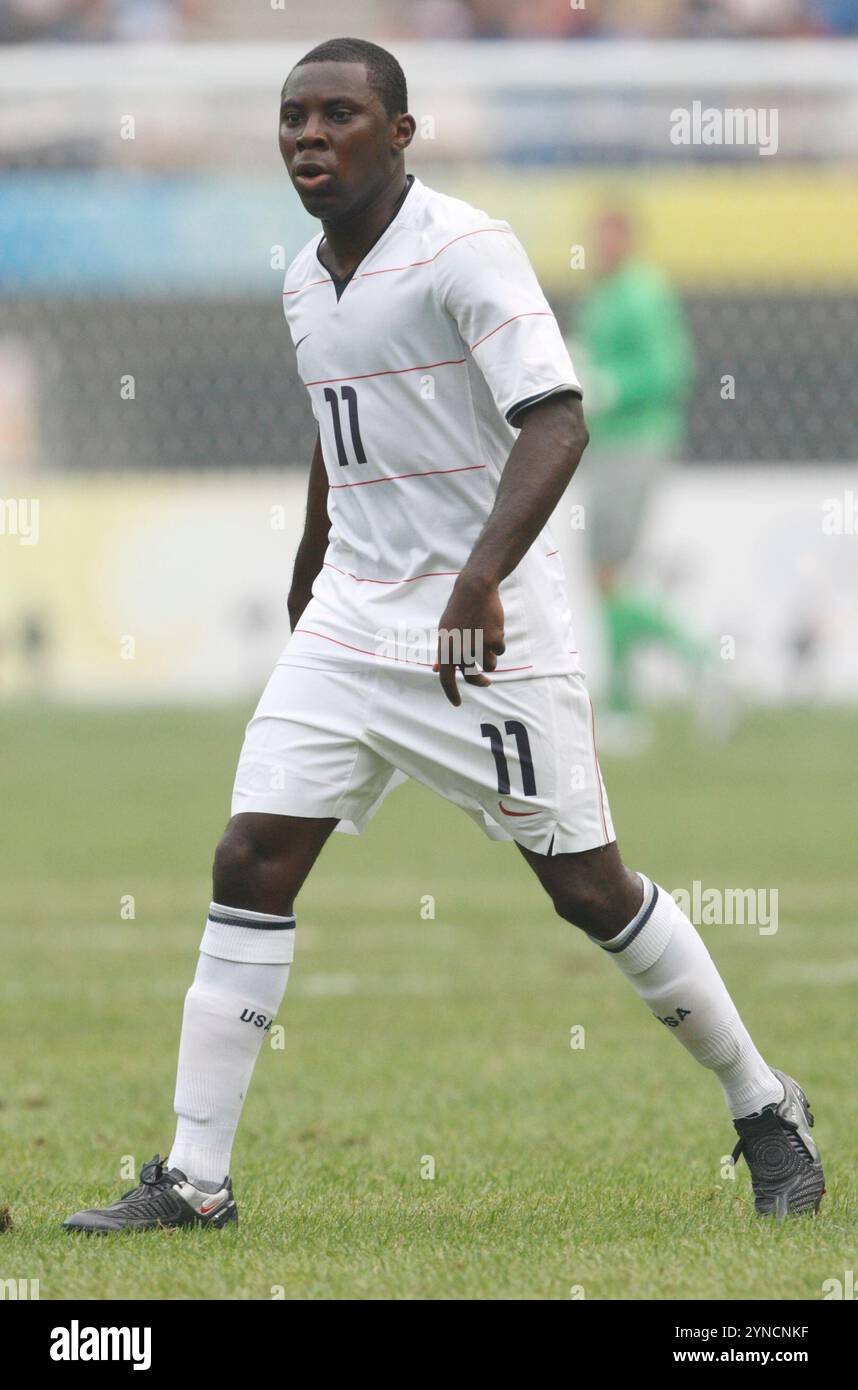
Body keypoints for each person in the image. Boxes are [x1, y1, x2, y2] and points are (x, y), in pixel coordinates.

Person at [63, 38, 823, 1232]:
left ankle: (765, 1101)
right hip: (353, 622)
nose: (309, 136)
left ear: (402, 133)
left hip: (486, 631)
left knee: (589, 889)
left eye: (339, 116)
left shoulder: (467, 250)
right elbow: (341, 424)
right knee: (251, 858)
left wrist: (477, 579)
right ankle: (195, 1180)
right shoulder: (305, 279)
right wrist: (312, 564)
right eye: (293, 117)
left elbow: (557, 420)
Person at [566, 208, 708, 727]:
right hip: (605, 446)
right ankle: (629, 698)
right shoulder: (600, 296)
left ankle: (699, 661)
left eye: (607, 233)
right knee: (608, 575)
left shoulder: (645, 291)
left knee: (607, 573)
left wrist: (612, 385)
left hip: (638, 442)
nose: (599, 244)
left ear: (628, 236)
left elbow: (672, 367)